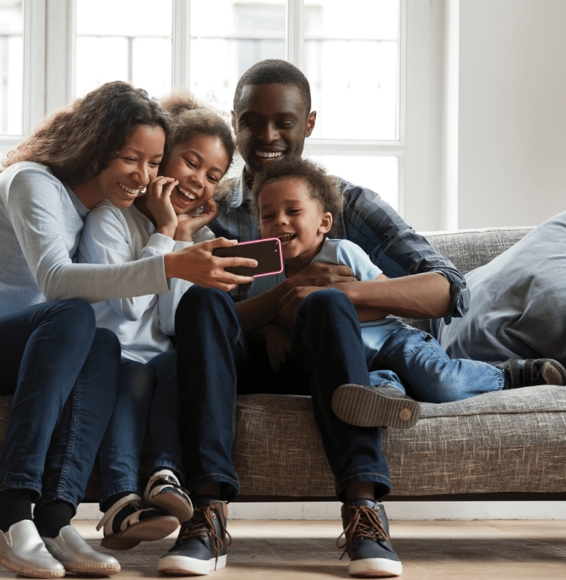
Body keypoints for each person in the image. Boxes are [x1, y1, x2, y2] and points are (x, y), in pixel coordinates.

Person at [0, 81, 255, 579]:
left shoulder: (99, 215)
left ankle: (54, 516)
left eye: (154, 162)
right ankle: (9, 512)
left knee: (101, 342)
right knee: (72, 313)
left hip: (4, 346)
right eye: (128, 158)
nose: (142, 175)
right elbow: (55, 281)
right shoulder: (31, 182)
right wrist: (171, 264)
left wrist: (173, 242)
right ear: (95, 145)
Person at [163, 58, 464, 578]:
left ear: (309, 124)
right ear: (235, 125)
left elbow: (447, 290)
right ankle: (207, 514)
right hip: (245, 360)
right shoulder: (210, 205)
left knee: (327, 302)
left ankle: (364, 509)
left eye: (284, 121)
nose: (268, 135)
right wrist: (281, 302)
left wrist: (352, 292)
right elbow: (181, 316)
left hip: (331, 355)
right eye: (252, 121)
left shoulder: (345, 204)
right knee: (204, 301)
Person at [249, 155, 566, 426]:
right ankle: (392, 397)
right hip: (353, 361)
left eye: (293, 211)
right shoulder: (266, 273)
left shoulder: (342, 253)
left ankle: (514, 375)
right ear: (259, 228)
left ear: (324, 222)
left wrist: (341, 305)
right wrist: (271, 333)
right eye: (268, 215)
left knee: (441, 383)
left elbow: (383, 299)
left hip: (392, 340)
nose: (279, 221)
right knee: (362, 390)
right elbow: (267, 317)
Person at [78, 92, 236, 553]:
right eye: (191, 163)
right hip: (113, 353)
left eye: (213, 176)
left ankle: (165, 477)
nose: (199, 182)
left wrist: (183, 238)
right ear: (162, 156)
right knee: (133, 376)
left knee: (172, 365)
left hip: (156, 356)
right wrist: (165, 233)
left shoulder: (193, 236)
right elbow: (127, 307)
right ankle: (120, 500)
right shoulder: (111, 219)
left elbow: (171, 320)